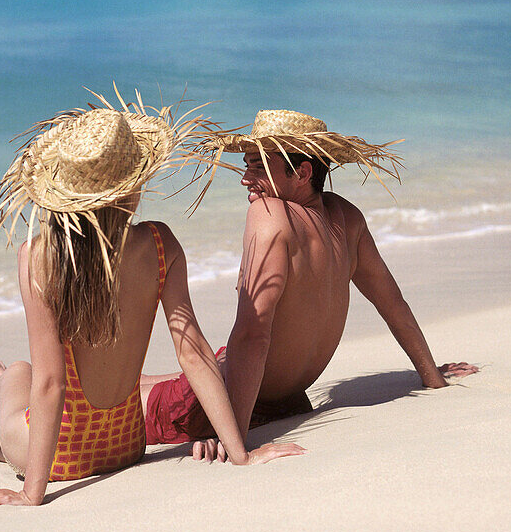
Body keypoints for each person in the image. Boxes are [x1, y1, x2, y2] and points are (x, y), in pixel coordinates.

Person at [0, 99, 303, 508]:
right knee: (21, 384)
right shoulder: (160, 244)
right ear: (132, 184)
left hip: (59, 456)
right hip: (124, 446)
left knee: (21, 373)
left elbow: (52, 383)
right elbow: (194, 354)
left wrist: (30, 493)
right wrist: (241, 454)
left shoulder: (39, 257)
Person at [141, 109, 478, 460]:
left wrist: (235, 443)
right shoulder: (347, 219)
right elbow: (392, 303)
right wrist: (430, 375)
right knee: (134, 389)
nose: (244, 179)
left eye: (258, 167)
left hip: (233, 395)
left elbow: (252, 335)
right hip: (250, 391)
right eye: (246, 166)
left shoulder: (270, 215)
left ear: (302, 172)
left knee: (130, 398)